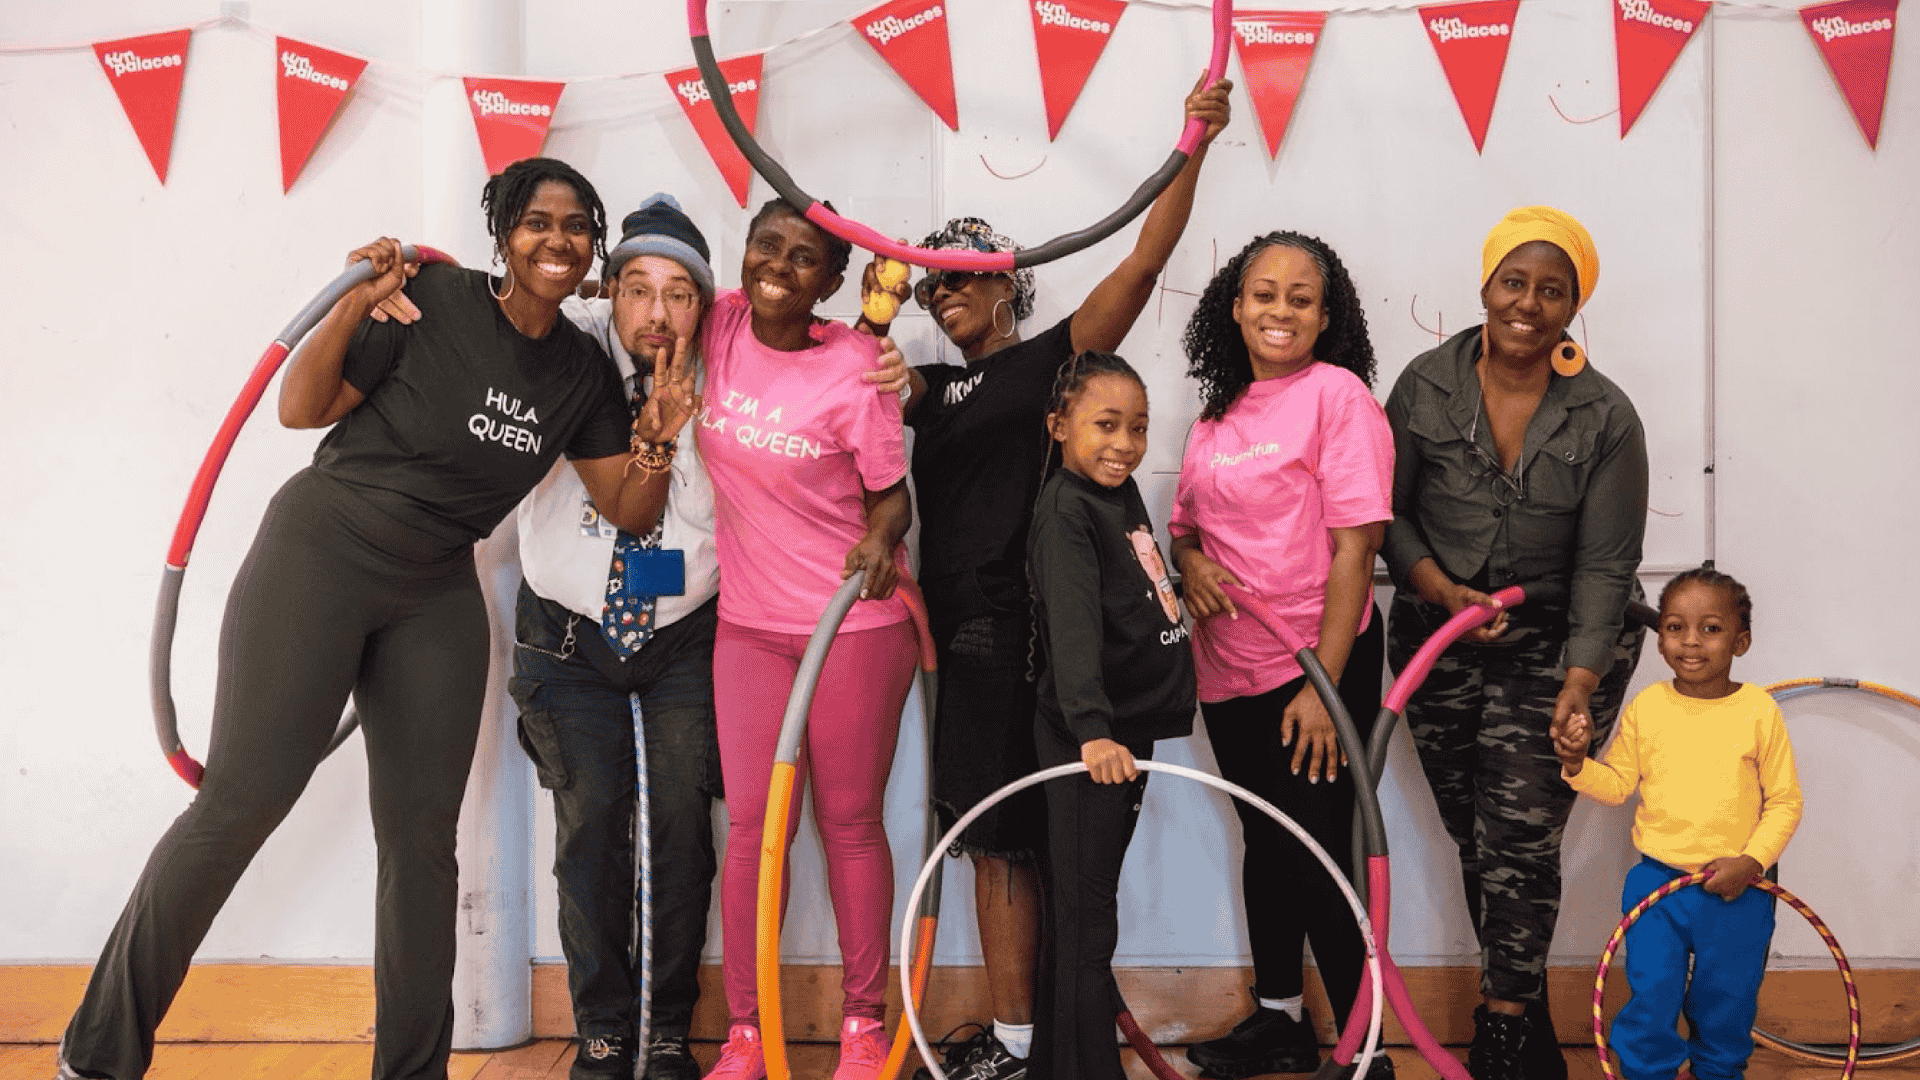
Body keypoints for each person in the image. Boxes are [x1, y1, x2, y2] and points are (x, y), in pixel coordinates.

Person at [57, 157, 668, 1080]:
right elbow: (302, 411)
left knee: (423, 844)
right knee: (238, 805)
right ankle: (96, 1056)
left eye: (578, 225)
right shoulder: (431, 300)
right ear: (503, 233)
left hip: (436, 585)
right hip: (325, 549)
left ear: (593, 248)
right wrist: (354, 300)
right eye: (537, 222)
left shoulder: (581, 371)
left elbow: (629, 508)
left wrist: (659, 430)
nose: (558, 239)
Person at [875, 74, 1230, 1080]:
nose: (948, 295)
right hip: (958, 643)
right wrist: (884, 294)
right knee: (992, 845)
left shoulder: (1053, 370)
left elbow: (1147, 257)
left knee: (1026, 847)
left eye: (965, 275)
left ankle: (1034, 1045)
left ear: (1007, 281)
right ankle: (1027, 1042)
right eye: (932, 282)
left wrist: (1192, 143)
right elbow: (848, 403)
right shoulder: (929, 388)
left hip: (1025, 639)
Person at [1381, 206, 1649, 1080]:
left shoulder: (1607, 416)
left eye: (1552, 290)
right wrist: (1437, 589)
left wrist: (1581, 681)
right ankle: (1524, 1017)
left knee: (1519, 834)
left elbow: (1608, 567)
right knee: (1475, 833)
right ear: (1487, 285)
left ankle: (1499, 1029)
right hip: (1440, 625)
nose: (1529, 303)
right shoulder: (1424, 383)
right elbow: (1386, 514)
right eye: (1515, 283)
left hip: (1566, 636)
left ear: (1574, 306)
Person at [697, 198, 919, 1080]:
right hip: (748, 629)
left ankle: (864, 1027)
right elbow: (627, 304)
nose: (778, 268)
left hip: (852, 628)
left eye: (803, 259)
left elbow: (891, 494)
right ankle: (749, 1033)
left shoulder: (858, 365)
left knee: (851, 824)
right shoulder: (714, 324)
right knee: (755, 831)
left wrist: (882, 538)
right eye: (766, 247)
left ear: (832, 283)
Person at [1169, 233, 1394, 1079]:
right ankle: (1279, 1020)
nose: (1281, 311)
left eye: (1302, 297)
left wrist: (1324, 687)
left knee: (1321, 856)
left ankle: (1369, 1052)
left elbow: (1355, 550)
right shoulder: (1215, 416)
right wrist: (1189, 562)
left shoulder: (1337, 398)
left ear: (1326, 317)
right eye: (1265, 294)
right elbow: (1187, 529)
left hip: (1314, 665)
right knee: (1267, 845)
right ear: (1234, 306)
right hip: (1227, 670)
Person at [1551, 567, 1801, 1080]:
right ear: (1660, 640)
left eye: (1710, 628)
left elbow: (1785, 801)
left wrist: (1751, 862)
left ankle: (1718, 1072)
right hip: (1657, 884)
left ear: (1741, 640)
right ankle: (1649, 1071)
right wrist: (1577, 766)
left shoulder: (1758, 711)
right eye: (1674, 627)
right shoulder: (1649, 707)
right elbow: (1618, 783)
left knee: (1726, 1000)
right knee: (1652, 991)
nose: (1691, 641)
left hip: (1742, 887)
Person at [1024, 352, 1198, 1080]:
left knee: (1083, 911)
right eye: (1104, 425)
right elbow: (1071, 628)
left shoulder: (1116, 496)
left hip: (1128, 729)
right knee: (1087, 920)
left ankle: (1058, 1067)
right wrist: (1093, 730)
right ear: (1059, 426)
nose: (1124, 443)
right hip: (1092, 740)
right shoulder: (1067, 508)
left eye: (1138, 428)